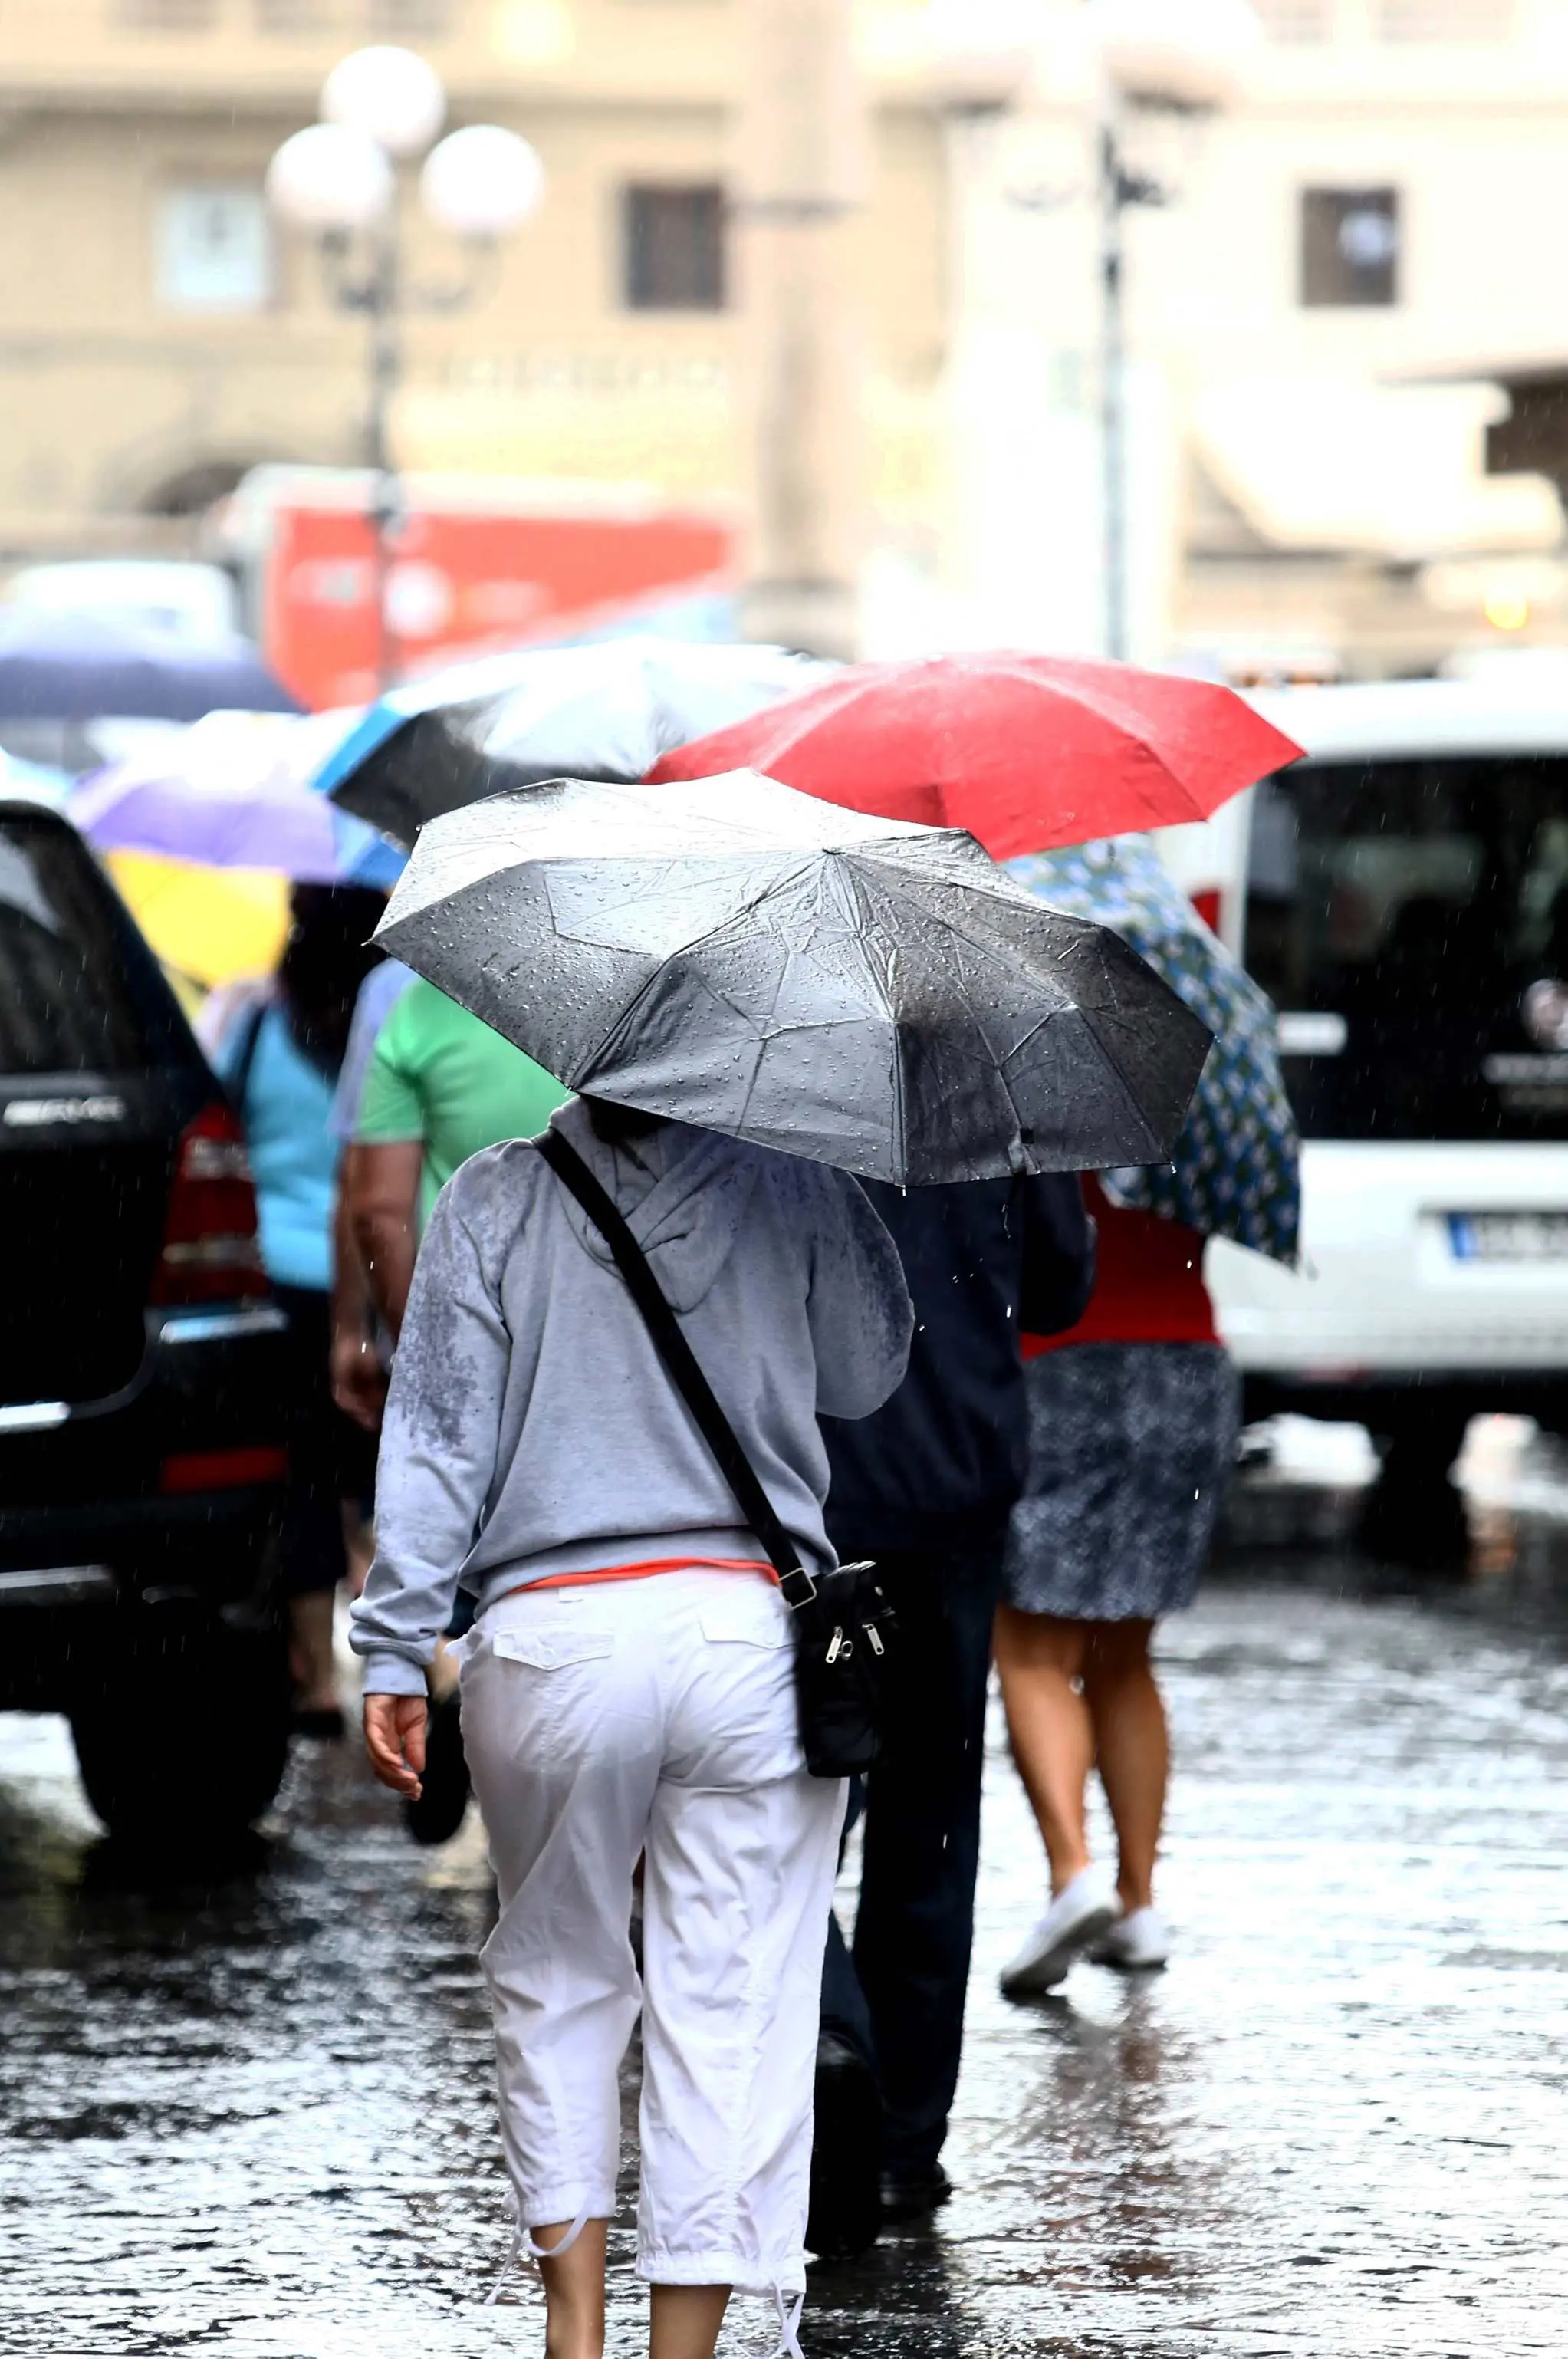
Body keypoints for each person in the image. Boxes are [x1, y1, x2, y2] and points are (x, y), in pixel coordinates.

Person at [350, 1097, 913, 2359]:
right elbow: (871, 1371)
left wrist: (394, 1644)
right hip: (744, 1641)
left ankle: (574, 2332)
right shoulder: (792, 1175)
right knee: (731, 2006)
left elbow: (438, 1442)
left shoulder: (493, 1195)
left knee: (554, 1974)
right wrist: (844, 1170)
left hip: (552, 1643)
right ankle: (686, 2351)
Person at [812, 1172, 1094, 2242]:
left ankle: (829, 2034)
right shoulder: (1003, 1099)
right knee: (931, 1827)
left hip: (816, 1500)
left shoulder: (783, 1088)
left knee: (784, 1818)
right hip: (955, 1492)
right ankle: (897, 2147)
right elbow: (1062, 1289)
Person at [337, 976, 572, 1838]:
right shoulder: (610, 1004)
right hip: (588, 1344)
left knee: (460, 1518)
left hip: (466, 1324)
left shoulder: (411, 1005)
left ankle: (454, 1668)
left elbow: (378, 1206)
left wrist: (408, 1343)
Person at [992, 1177, 1241, 1994]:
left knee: (1032, 1648)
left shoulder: (1045, 1078)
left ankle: (1073, 1873)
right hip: (1186, 1365)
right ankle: (1136, 1902)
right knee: (1124, 1653)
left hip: (1062, 1361)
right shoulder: (1195, 1086)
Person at [205, 883, 386, 1734]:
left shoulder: (251, 1024)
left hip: (274, 1284)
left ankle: (315, 1678)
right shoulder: (394, 1026)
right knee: (382, 1479)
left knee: (302, 1478)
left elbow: (217, 1134)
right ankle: (411, 1664)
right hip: (378, 1279)